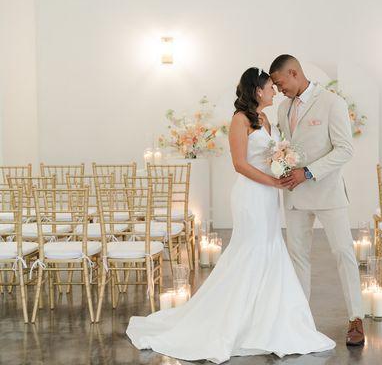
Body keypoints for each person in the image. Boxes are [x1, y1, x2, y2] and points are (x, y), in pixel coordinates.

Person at [126, 67, 336, 364]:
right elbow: (240, 164)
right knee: (250, 251)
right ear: (257, 91)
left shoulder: (265, 119)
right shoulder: (239, 120)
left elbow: (270, 156)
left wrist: (282, 167)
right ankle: (234, 321)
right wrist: (273, 181)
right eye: (270, 87)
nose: (274, 90)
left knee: (271, 250)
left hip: (268, 195)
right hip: (251, 194)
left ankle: (267, 320)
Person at [269, 54, 364, 346]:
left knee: (343, 254)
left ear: (294, 73)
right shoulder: (283, 108)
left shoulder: (332, 102)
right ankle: (299, 320)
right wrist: (283, 169)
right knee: (298, 258)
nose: (278, 89)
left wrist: (308, 172)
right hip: (295, 195)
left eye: (280, 82)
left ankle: (356, 319)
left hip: (327, 192)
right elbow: (286, 146)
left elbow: (345, 150)